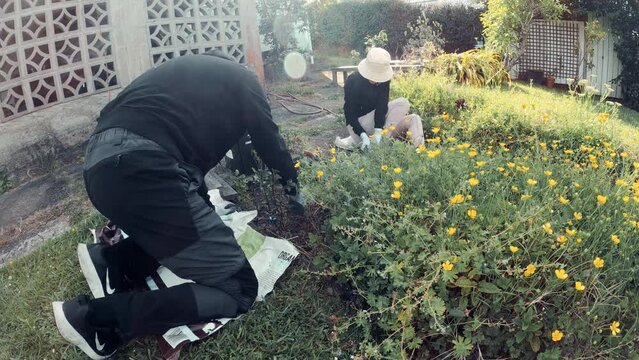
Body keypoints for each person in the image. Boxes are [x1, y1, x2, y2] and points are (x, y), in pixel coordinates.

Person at [51, 51, 304, 359]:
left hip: (100, 171)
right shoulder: (244, 80)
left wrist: (209, 223)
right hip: (144, 172)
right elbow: (269, 141)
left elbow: (190, 187)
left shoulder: (185, 82)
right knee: (239, 288)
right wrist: (294, 193)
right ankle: (95, 319)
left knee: (188, 233)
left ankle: (114, 263)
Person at [334, 47, 424, 150]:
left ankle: (419, 151)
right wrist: (362, 135)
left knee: (413, 118)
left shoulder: (384, 81)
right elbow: (349, 112)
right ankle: (381, 144)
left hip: (381, 130)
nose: (377, 81)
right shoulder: (353, 80)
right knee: (402, 102)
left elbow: (382, 106)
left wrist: (378, 133)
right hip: (359, 128)